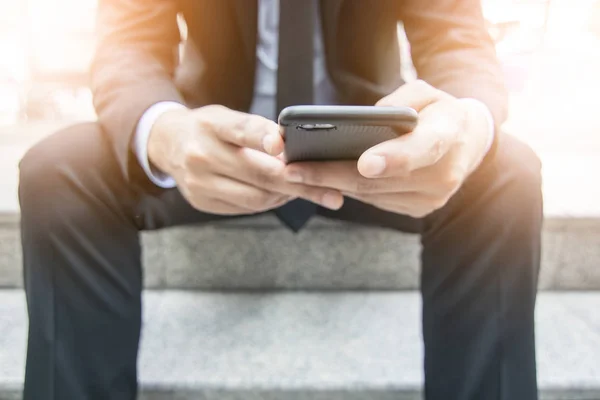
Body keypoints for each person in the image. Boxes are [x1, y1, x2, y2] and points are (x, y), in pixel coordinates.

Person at [18, 0, 543, 399]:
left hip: (369, 153)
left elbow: (458, 42)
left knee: (507, 174)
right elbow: (129, 45)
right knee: (56, 170)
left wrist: (466, 124)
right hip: (215, 140)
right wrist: (168, 133)